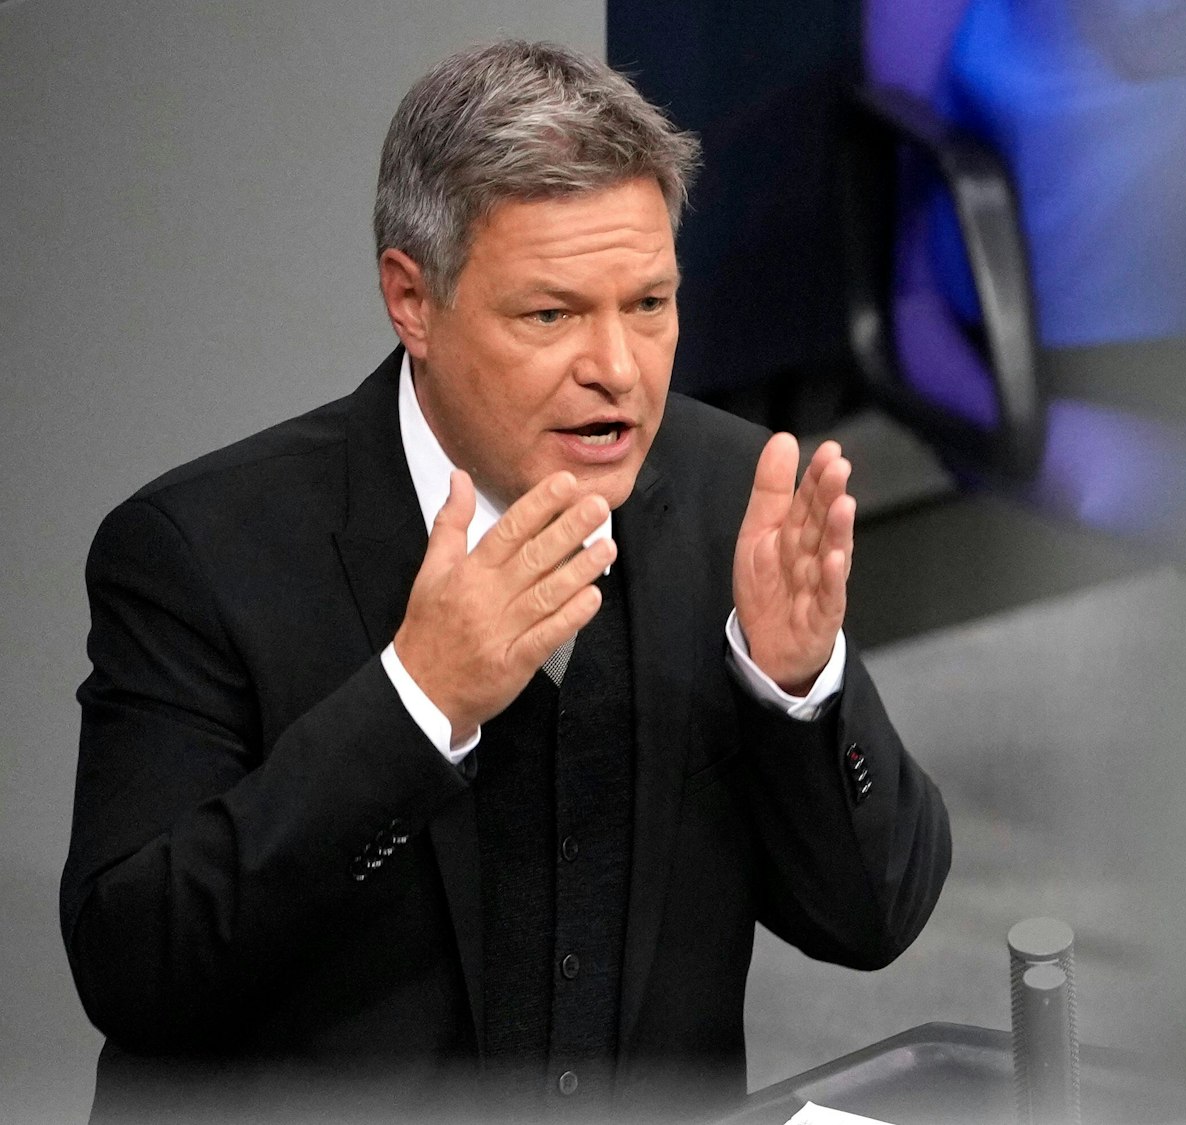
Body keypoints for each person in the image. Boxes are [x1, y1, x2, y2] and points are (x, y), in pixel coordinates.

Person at [60, 40, 951, 1123]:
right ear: (411, 300)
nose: (617, 369)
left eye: (650, 305)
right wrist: (415, 704)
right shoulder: (199, 553)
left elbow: (875, 919)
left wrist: (795, 685)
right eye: (551, 314)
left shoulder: (732, 499)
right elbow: (137, 971)